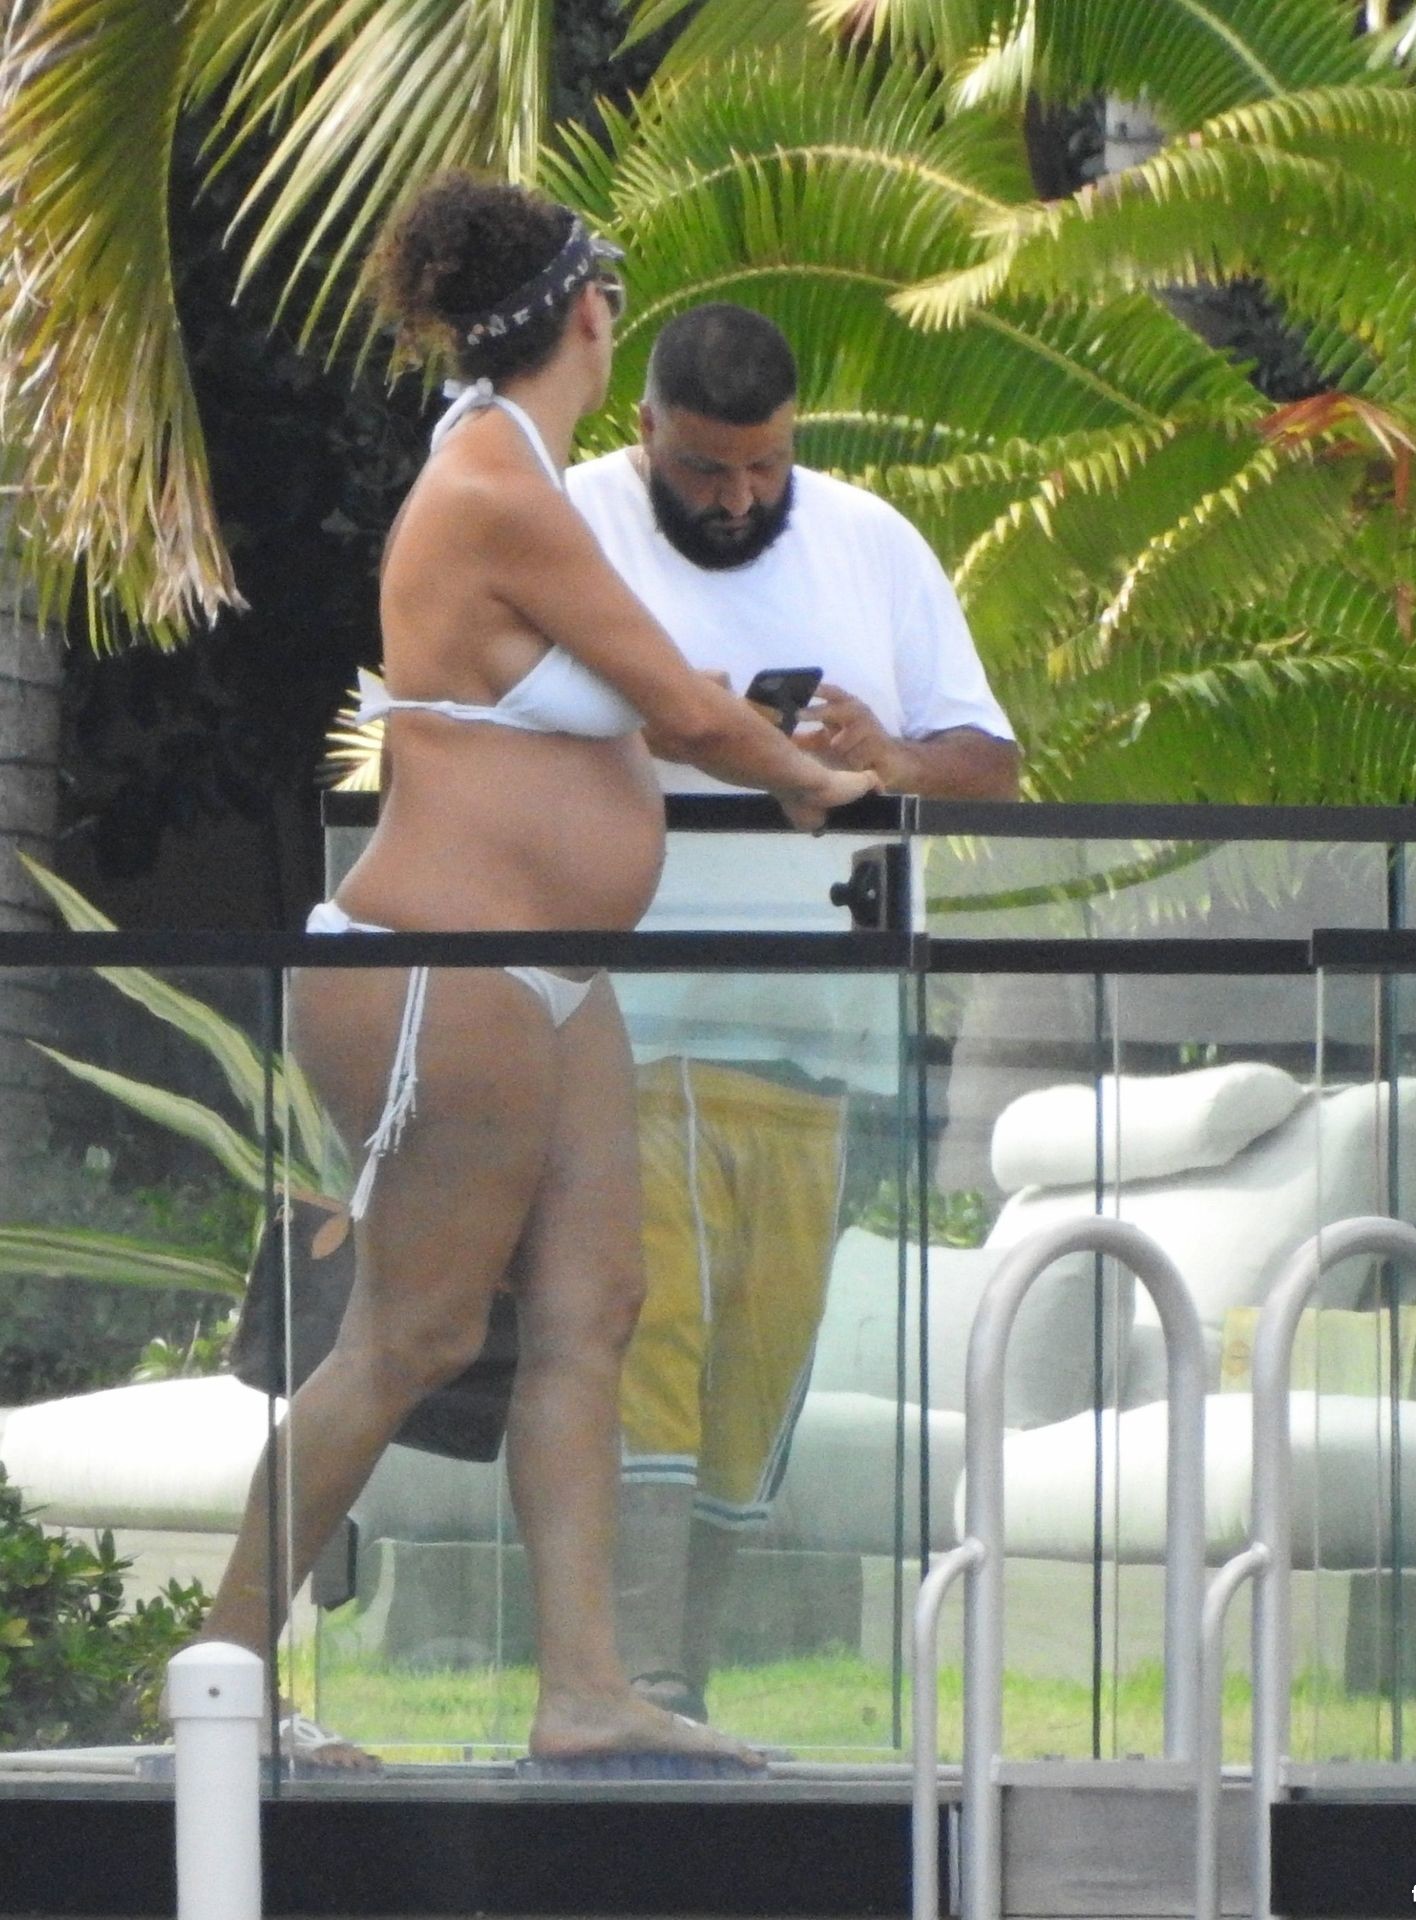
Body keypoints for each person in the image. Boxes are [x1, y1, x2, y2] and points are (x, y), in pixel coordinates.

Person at [192, 180, 874, 1777]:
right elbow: (686, 717)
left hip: (557, 983)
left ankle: (585, 1693)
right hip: (446, 972)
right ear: (590, 311)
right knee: (411, 1336)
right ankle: (218, 1683)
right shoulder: (496, 480)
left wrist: (732, 722)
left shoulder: (520, 473)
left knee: (593, 1309)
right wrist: (818, 779)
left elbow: (636, 693)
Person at [565, 304, 1020, 1724]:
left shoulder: (868, 538)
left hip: (820, 1030)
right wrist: (667, 723)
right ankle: (631, 1675)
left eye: (765, 467)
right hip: (625, 1014)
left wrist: (889, 759)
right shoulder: (572, 519)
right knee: (650, 1336)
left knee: (758, 1369)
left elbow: (988, 760)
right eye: (705, 470)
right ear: (644, 427)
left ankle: (679, 1681)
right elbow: (476, 724)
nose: (738, 500)